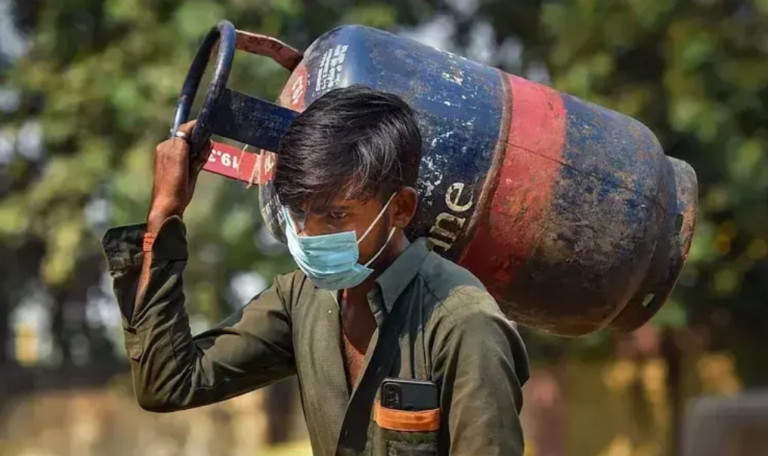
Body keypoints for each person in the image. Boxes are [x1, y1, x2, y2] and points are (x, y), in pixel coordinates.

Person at [102, 85, 529, 456]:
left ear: (400, 209)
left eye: (335, 216)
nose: (309, 235)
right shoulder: (300, 299)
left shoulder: (463, 325)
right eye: (300, 214)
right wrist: (164, 213)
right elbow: (169, 383)